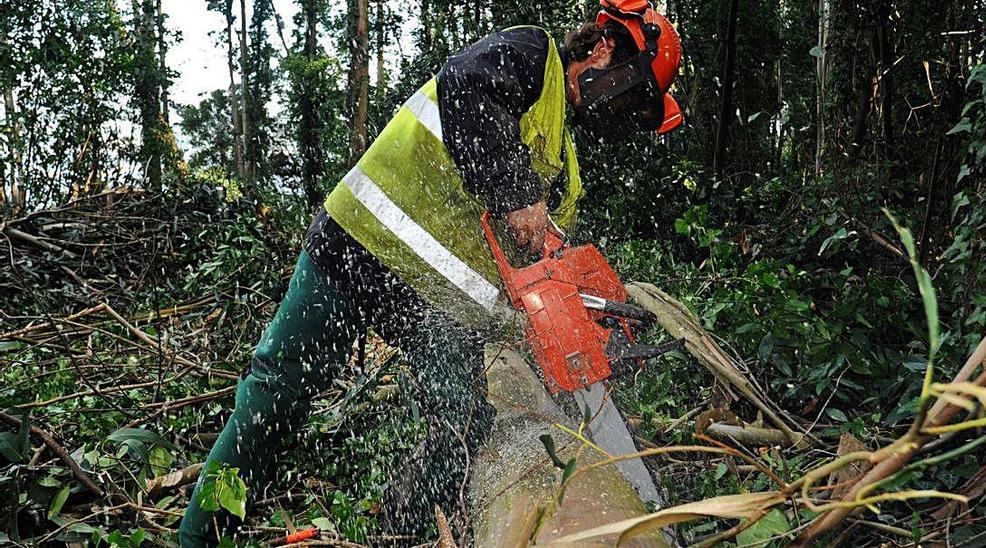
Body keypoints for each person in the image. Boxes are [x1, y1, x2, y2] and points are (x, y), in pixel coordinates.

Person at [177, 0, 683, 544]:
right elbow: (464, 85)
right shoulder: (531, 56)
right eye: (633, 93)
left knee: (465, 425)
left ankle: (404, 530)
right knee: (277, 394)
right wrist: (517, 193)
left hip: (430, 302)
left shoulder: (564, 153)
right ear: (606, 49)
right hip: (357, 246)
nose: (625, 108)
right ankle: (201, 536)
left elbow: (532, 263)